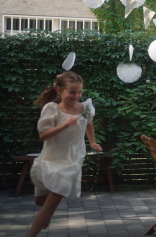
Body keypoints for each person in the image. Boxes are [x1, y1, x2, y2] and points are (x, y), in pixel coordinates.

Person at [27, 72, 102, 237]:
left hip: (72, 158)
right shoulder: (52, 109)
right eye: (72, 92)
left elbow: (89, 123)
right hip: (51, 155)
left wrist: (92, 142)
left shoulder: (85, 108)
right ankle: (45, 216)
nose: (77, 96)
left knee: (54, 198)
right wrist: (65, 124)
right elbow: (43, 135)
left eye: (79, 92)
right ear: (60, 91)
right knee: (41, 201)